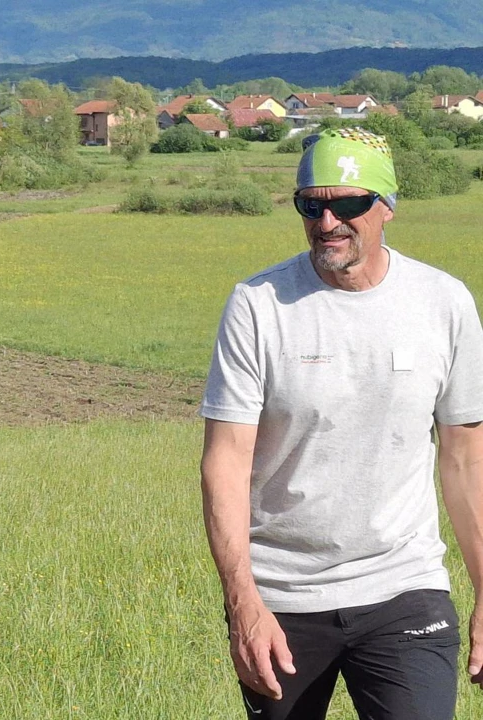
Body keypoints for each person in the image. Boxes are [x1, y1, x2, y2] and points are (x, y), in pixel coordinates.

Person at [199, 127, 483, 719]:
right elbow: (225, 463)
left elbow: (465, 461)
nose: (327, 221)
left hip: (405, 586)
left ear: (386, 207)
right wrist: (243, 605)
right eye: (311, 204)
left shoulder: (443, 303)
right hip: (282, 598)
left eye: (347, 204)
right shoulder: (258, 306)